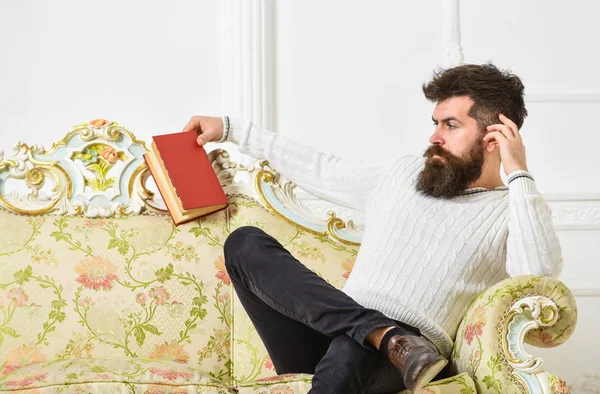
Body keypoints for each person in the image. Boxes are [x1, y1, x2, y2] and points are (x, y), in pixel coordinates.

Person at [182, 63, 563, 394]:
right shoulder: (403, 173)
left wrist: (520, 174)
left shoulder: (513, 208)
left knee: (353, 349)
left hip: (407, 360)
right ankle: (382, 334)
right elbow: (322, 169)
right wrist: (233, 130)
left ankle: (389, 339)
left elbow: (538, 278)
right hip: (326, 335)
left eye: (451, 125)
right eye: (435, 123)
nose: (434, 136)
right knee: (244, 242)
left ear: (495, 137)